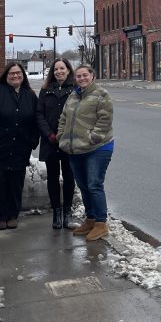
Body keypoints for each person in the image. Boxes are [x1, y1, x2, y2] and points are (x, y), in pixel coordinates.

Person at [0, 62, 40, 230]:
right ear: (5, 75)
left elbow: (37, 119)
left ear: (23, 75)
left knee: (15, 184)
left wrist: (32, 140)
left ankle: (12, 215)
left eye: (18, 73)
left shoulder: (30, 95)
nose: (15, 76)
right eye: (11, 73)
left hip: (19, 148)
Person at [57, 64, 114, 242]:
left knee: (94, 184)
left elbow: (105, 119)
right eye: (78, 76)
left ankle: (101, 224)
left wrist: (93, 137)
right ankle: (90, 220)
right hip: (75, 149)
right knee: (83, 185)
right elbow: (63, 117)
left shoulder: (101, 94)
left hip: (97, 148)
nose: (81, 78)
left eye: (85, 75)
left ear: (92, 76)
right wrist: (61, 136)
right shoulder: (73, 95)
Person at [35, 58, 78, 229]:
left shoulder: (75, 89)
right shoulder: (46, 90)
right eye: (56, 69)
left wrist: (68, 134)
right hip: (50, 141)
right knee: (52, 177)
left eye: (62, 68)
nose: (59, 72)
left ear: (68, 70)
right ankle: (56, 212)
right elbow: (39, 114)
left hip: (69, 141)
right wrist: (49, 135)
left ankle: (67, 211)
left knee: (69, 176)